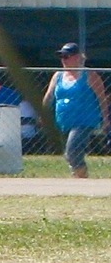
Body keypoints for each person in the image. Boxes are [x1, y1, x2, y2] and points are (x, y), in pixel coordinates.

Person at [43, 42, 109, 179]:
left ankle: (82, 177)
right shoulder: (58, 76)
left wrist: (106, 120)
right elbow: (49, 97)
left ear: (78, 57)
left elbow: (102, 98)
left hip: (85, 120)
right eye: (62, 56)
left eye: (67, 56)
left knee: (72, 151)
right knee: (70, 154)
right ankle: (78, 177)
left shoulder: (89, 75)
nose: (64, 59)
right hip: (63, 121)